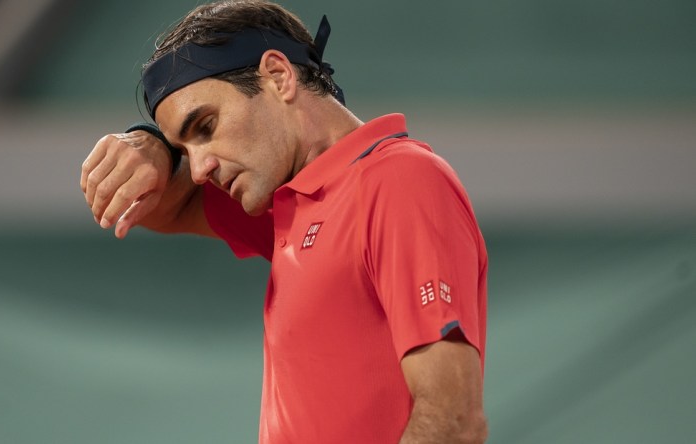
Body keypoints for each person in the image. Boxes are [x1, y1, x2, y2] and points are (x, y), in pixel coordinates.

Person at [80, 1, 488, 442]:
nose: (199, 170)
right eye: (185, 150)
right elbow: (163, 205)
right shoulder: (293, 205)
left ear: (278, 76)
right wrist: (153, 147)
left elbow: (451, 420)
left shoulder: (398, 181)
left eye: (205, 126)